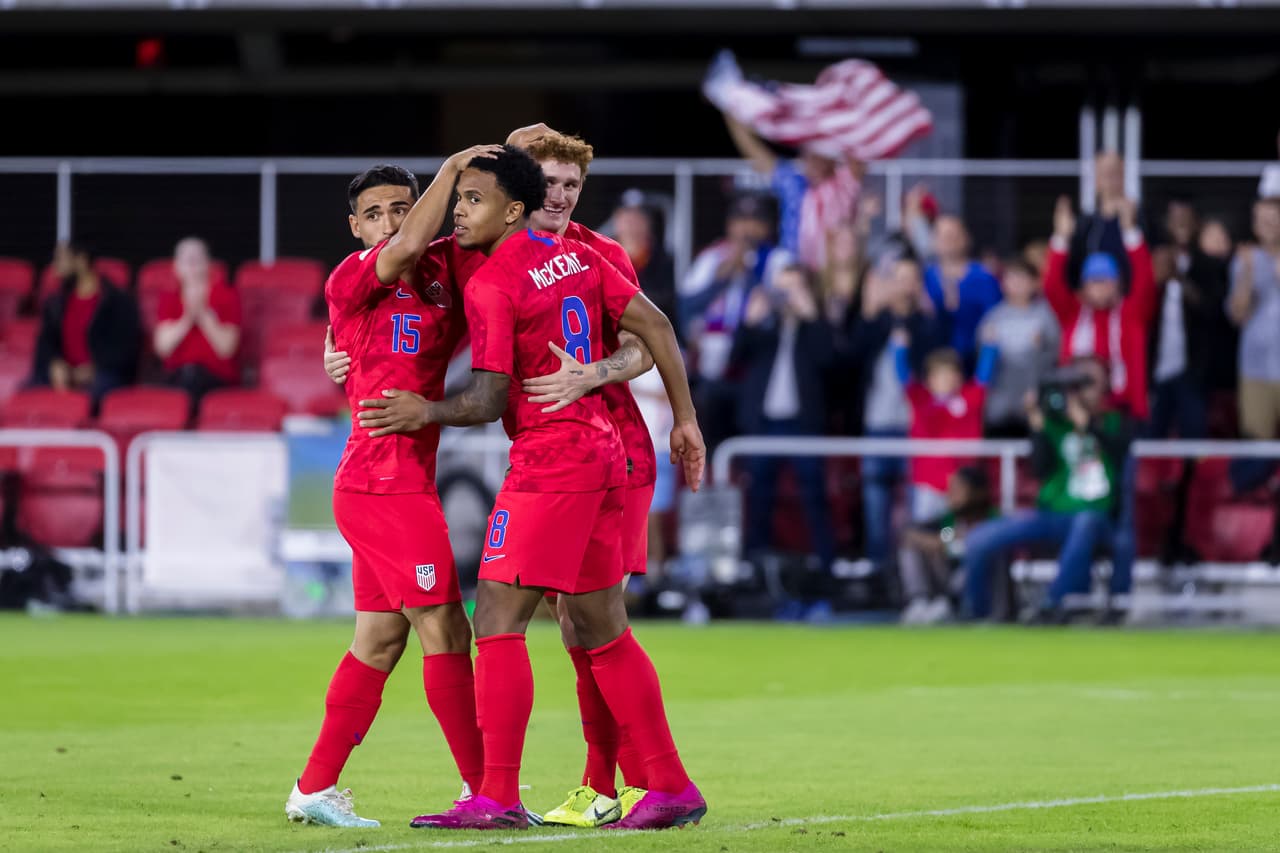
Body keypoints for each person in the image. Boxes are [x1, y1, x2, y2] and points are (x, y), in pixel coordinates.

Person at [355, 146, 707, 831]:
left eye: (472, 200)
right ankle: (669, 783)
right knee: (603, 627)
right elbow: (657, 327)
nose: (459, 212)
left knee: (495, 621)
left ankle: (496, 795)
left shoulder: (492, 281)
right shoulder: (578, 257)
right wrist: (687, 418)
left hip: (550, 461)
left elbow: (487, 397)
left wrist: (424, 410)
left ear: (510, 209)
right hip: (607, 454)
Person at [285, 148, 503, 829]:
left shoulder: (445, 270)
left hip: (398, 481)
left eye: (400, 210)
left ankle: (312, 788)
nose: (388, 224)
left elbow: (504, 239)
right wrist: (449, 166)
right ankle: (483, 791)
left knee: (380, 639)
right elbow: (409, 246)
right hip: (381, 484)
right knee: (445, 625)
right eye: (373, 214)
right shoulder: (353, 277)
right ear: (355, 227)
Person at [962, 356, 1135, 625]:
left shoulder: (1117, 423)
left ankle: (1055, 603)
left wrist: (1087, 424)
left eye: (1088, 383)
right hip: (1053, 516)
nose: (1080, 391)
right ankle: (977, 612)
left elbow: (1118, 452)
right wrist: (1036, 424)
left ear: (1105, 387)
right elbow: (1040, 469)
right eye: (1075, 384)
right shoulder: (1056, 425)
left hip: (1099, 519)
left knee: (1085, 521)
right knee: (980, 538)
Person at [731, 263, 837, 582]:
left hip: (803, 424)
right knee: (759, 495)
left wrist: (811, 316)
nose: (786, 296)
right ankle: (754, 564)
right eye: (781, 289)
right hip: (764, 424)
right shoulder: (764, 327)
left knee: (814, 494)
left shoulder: (815, 327)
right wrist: (750, 320)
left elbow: (831, 363)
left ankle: (826, 563)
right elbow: (735, 360)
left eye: (793, 288)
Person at [845, 257, 949, 571]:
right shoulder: (876, 321)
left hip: (915, 427)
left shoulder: (928, 324)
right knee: (876, 505)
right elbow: (849, 359)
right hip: (876, 425)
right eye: (898, 277)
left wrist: (925, 319)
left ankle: (914, 574)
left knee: (917, 510)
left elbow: (938, 369)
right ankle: (878, 571)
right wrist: (868, 313)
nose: (904, 285)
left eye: (911, 278)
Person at [678, 192, 787, 454]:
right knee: (709, 442)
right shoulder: (712, 258)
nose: (747, 228)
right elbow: (686, 306)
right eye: (741, 220)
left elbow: (775, 315)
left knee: (751, 444)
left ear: (768, 226)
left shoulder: (779, 260)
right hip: (712, 368)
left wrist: (750, 272)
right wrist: (723, 278)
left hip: (756, 368)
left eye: (755, 220)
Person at [1044, 195, 1156, 420]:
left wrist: (1130, 232)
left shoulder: (1131, 314)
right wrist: (1061, 238)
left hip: (1123, 412)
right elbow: (1052, 286)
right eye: (1094, 281)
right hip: (1076, 411)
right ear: (1084, 287)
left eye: (1106, 280)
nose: (1100, 287)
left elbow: (1145, 280)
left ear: (1119, 285)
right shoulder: (1074, 314)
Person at [720, 112, 862, 270]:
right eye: (808, 156)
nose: (812, 162)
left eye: (819, 156)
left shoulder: (841, 184)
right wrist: (732, 113)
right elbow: (758, 155)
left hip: (832, 267)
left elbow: (858, 158)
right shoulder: (794, 184)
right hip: (794, 266)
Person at [892, 338, 995, 523]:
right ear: (930, 379)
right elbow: (904, 377)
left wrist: (990, 347)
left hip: (960, 485)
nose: (948, 379)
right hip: (927, 484)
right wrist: (898, 348)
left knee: (951, 530)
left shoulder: (969, 398)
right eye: (941, 374)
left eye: (952, 373)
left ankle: (949, 551)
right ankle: (920, 552)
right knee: (925, 526)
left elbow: (983, 378)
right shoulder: (921, 399)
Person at [31, 239, 141, 409]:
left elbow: (126, 348)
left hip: (104, 376)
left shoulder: (117, 301)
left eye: (60, 259)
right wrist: (55, 364)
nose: (54, 267)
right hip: (63, 376)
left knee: (97, 393)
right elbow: (45, 344)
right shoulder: (56, 303)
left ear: (81, 260)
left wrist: (94, 368)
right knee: (27, 394)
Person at [897, 466, 996, 625]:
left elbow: (967, 542)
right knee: (915, 546)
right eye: (950, 488)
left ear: (978, 492)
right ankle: (920, 600)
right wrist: (934, 542)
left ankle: (952, 604)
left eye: (958, 489)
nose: (951, 494)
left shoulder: (992, 518)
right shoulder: (950, 521)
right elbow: (944, 539)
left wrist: (942, 543)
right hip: (949, 576)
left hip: (976, 584)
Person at [152, 237, 241, 408]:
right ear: (176, 266)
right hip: (177, 376)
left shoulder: (226, 295)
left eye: (197, 258)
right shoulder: (169, 297)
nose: (191, 264)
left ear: (208, 263)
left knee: (192, 381)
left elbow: (226, 349)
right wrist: (187, 318)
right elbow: (163, 348)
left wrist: (203, 314)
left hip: (216, 377)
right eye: (186, 259)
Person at [978, 258, 1060, 437]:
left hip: (1035, 402)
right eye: (1011, 278)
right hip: (999, 404)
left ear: (1034, 283)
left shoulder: (1046, 316)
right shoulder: (993, 317)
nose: (1016, 284)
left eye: (1022, 279)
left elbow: (1054, 355)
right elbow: (982, 364)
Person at [1227, 198, 1280, 440]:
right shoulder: (1246, 259)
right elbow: (1238, 315)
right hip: (1256, 370)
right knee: (1257, 447)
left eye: (1272, 219)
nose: (1266, 225)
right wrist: (1247, 274)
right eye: (1260, 220)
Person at [923, 215, 1001, 368]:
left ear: (966, 238)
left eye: (953, 234)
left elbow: (996, 321)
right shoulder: (923, 278)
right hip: (932, 371)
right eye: (942, 235)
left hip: (976, 369)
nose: (948, 240)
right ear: (933, 240)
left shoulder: (984, 278)